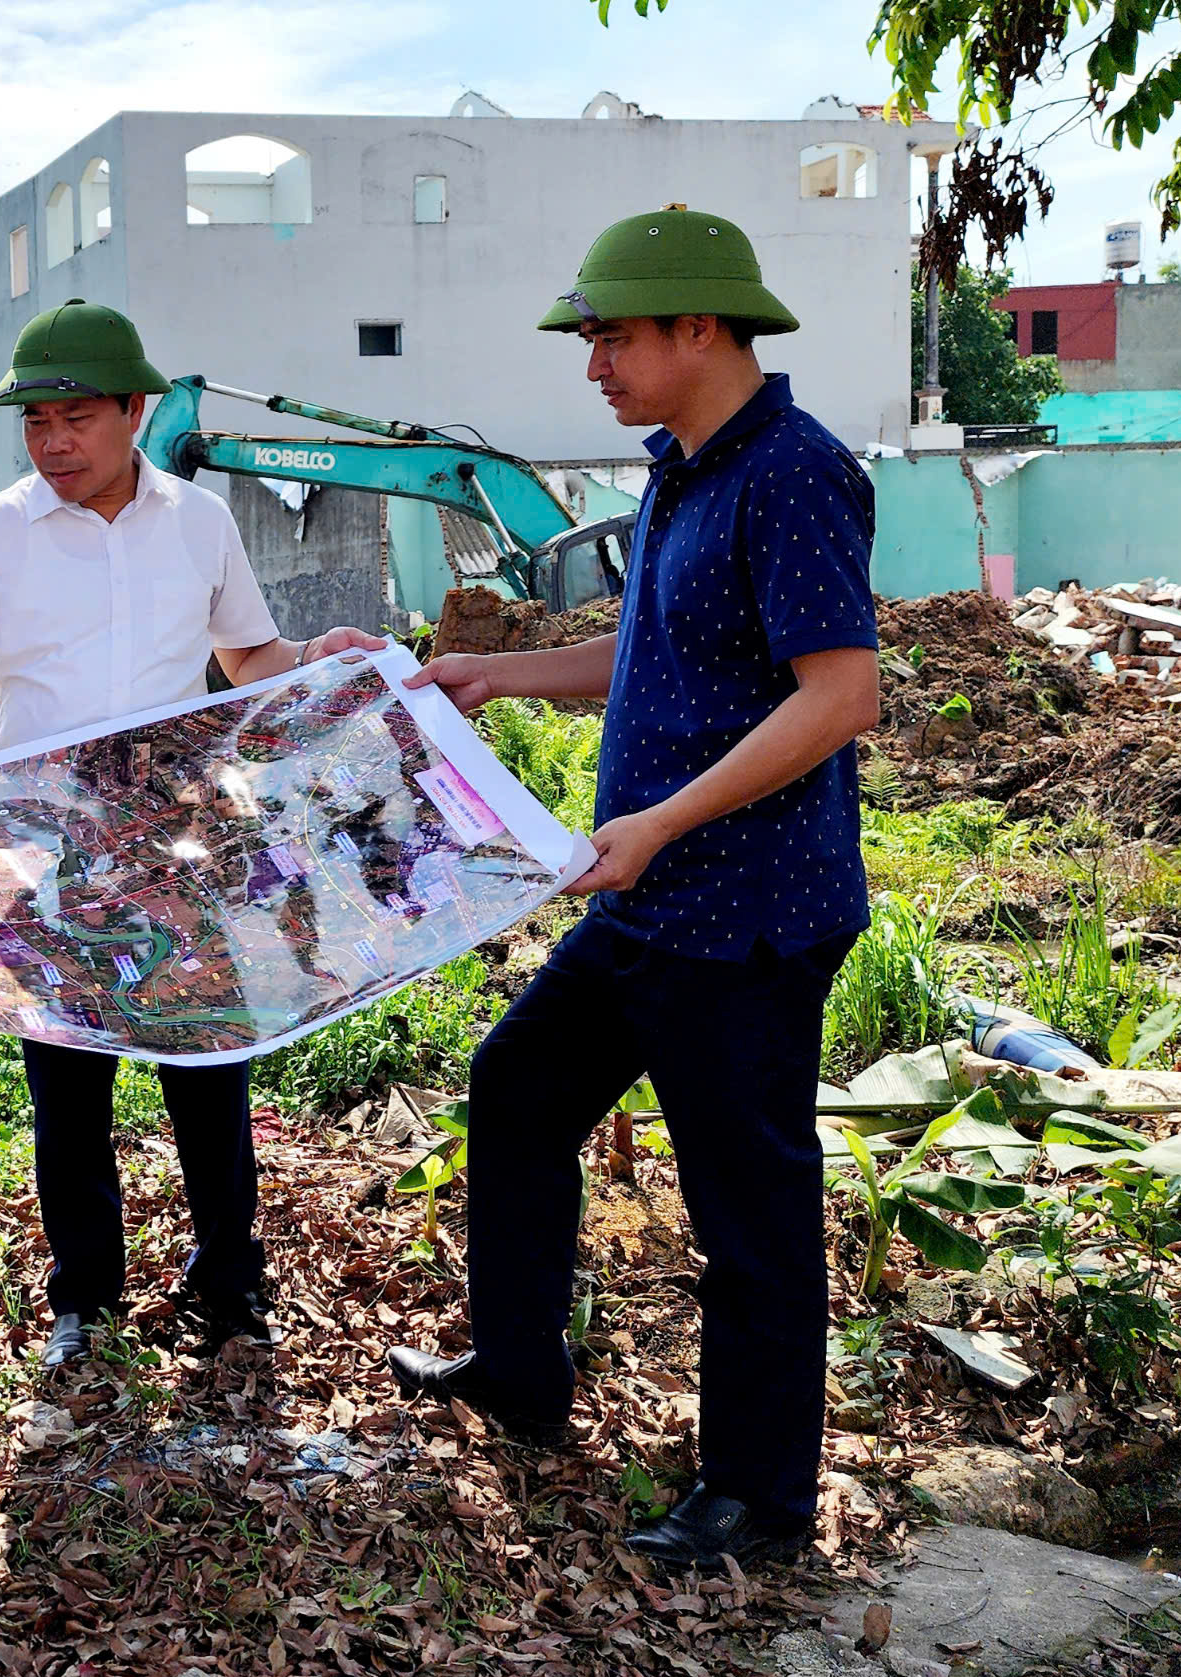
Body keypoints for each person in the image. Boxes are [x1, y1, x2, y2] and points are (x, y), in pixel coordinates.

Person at [385, 207, 882, 1573]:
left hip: (751, 913)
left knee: (749, 1209)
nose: (594, 361)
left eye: (613, 335)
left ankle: (760, 1501)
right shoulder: (682, 468)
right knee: (520, 1087)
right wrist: (502, 671)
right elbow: (658, 646)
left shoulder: (794, 475)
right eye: (593, 336)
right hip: (650, 896)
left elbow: (841, 693)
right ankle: (521, 1373)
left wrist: (659, 817)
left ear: (701, 330)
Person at [0, 299, 383, 1370]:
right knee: (68, 1082)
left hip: (179, 835)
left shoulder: (199, 523)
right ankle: (84, 1297)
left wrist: (320, 662)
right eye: (36, 421)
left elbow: (248, 662)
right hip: (46, 848)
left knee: (206, 1063)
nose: (52, 442)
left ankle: (229, 1284)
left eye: (77, 417)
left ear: (136, 410)